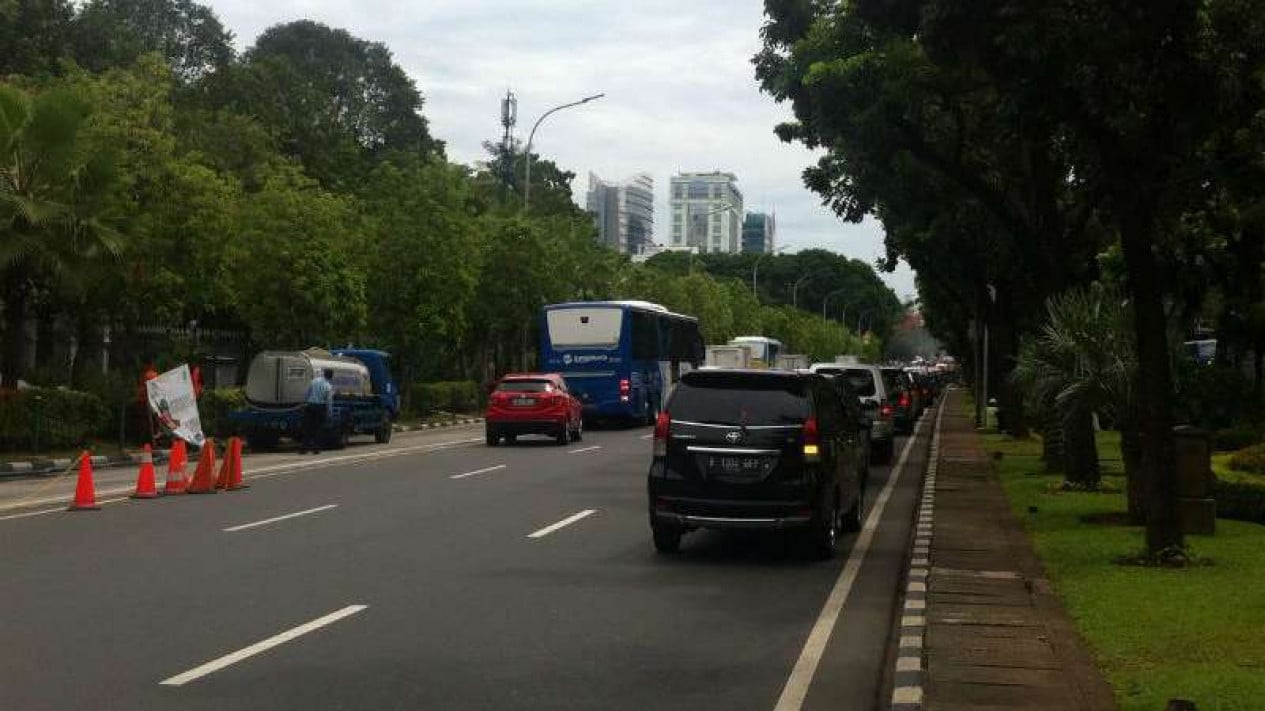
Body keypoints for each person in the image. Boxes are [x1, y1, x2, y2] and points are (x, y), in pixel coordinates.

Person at [301, 368, 335, 454]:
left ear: (324, 374)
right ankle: (316, 448)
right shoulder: (328, 386)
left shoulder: (314, 381)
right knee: (318, 429)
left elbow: (306, 393)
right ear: (331, 376)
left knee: (308, 428)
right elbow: (329, 401)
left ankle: (304, 448)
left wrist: (304, 403)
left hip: (310, 406)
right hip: (320, 407)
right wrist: (329, 414)